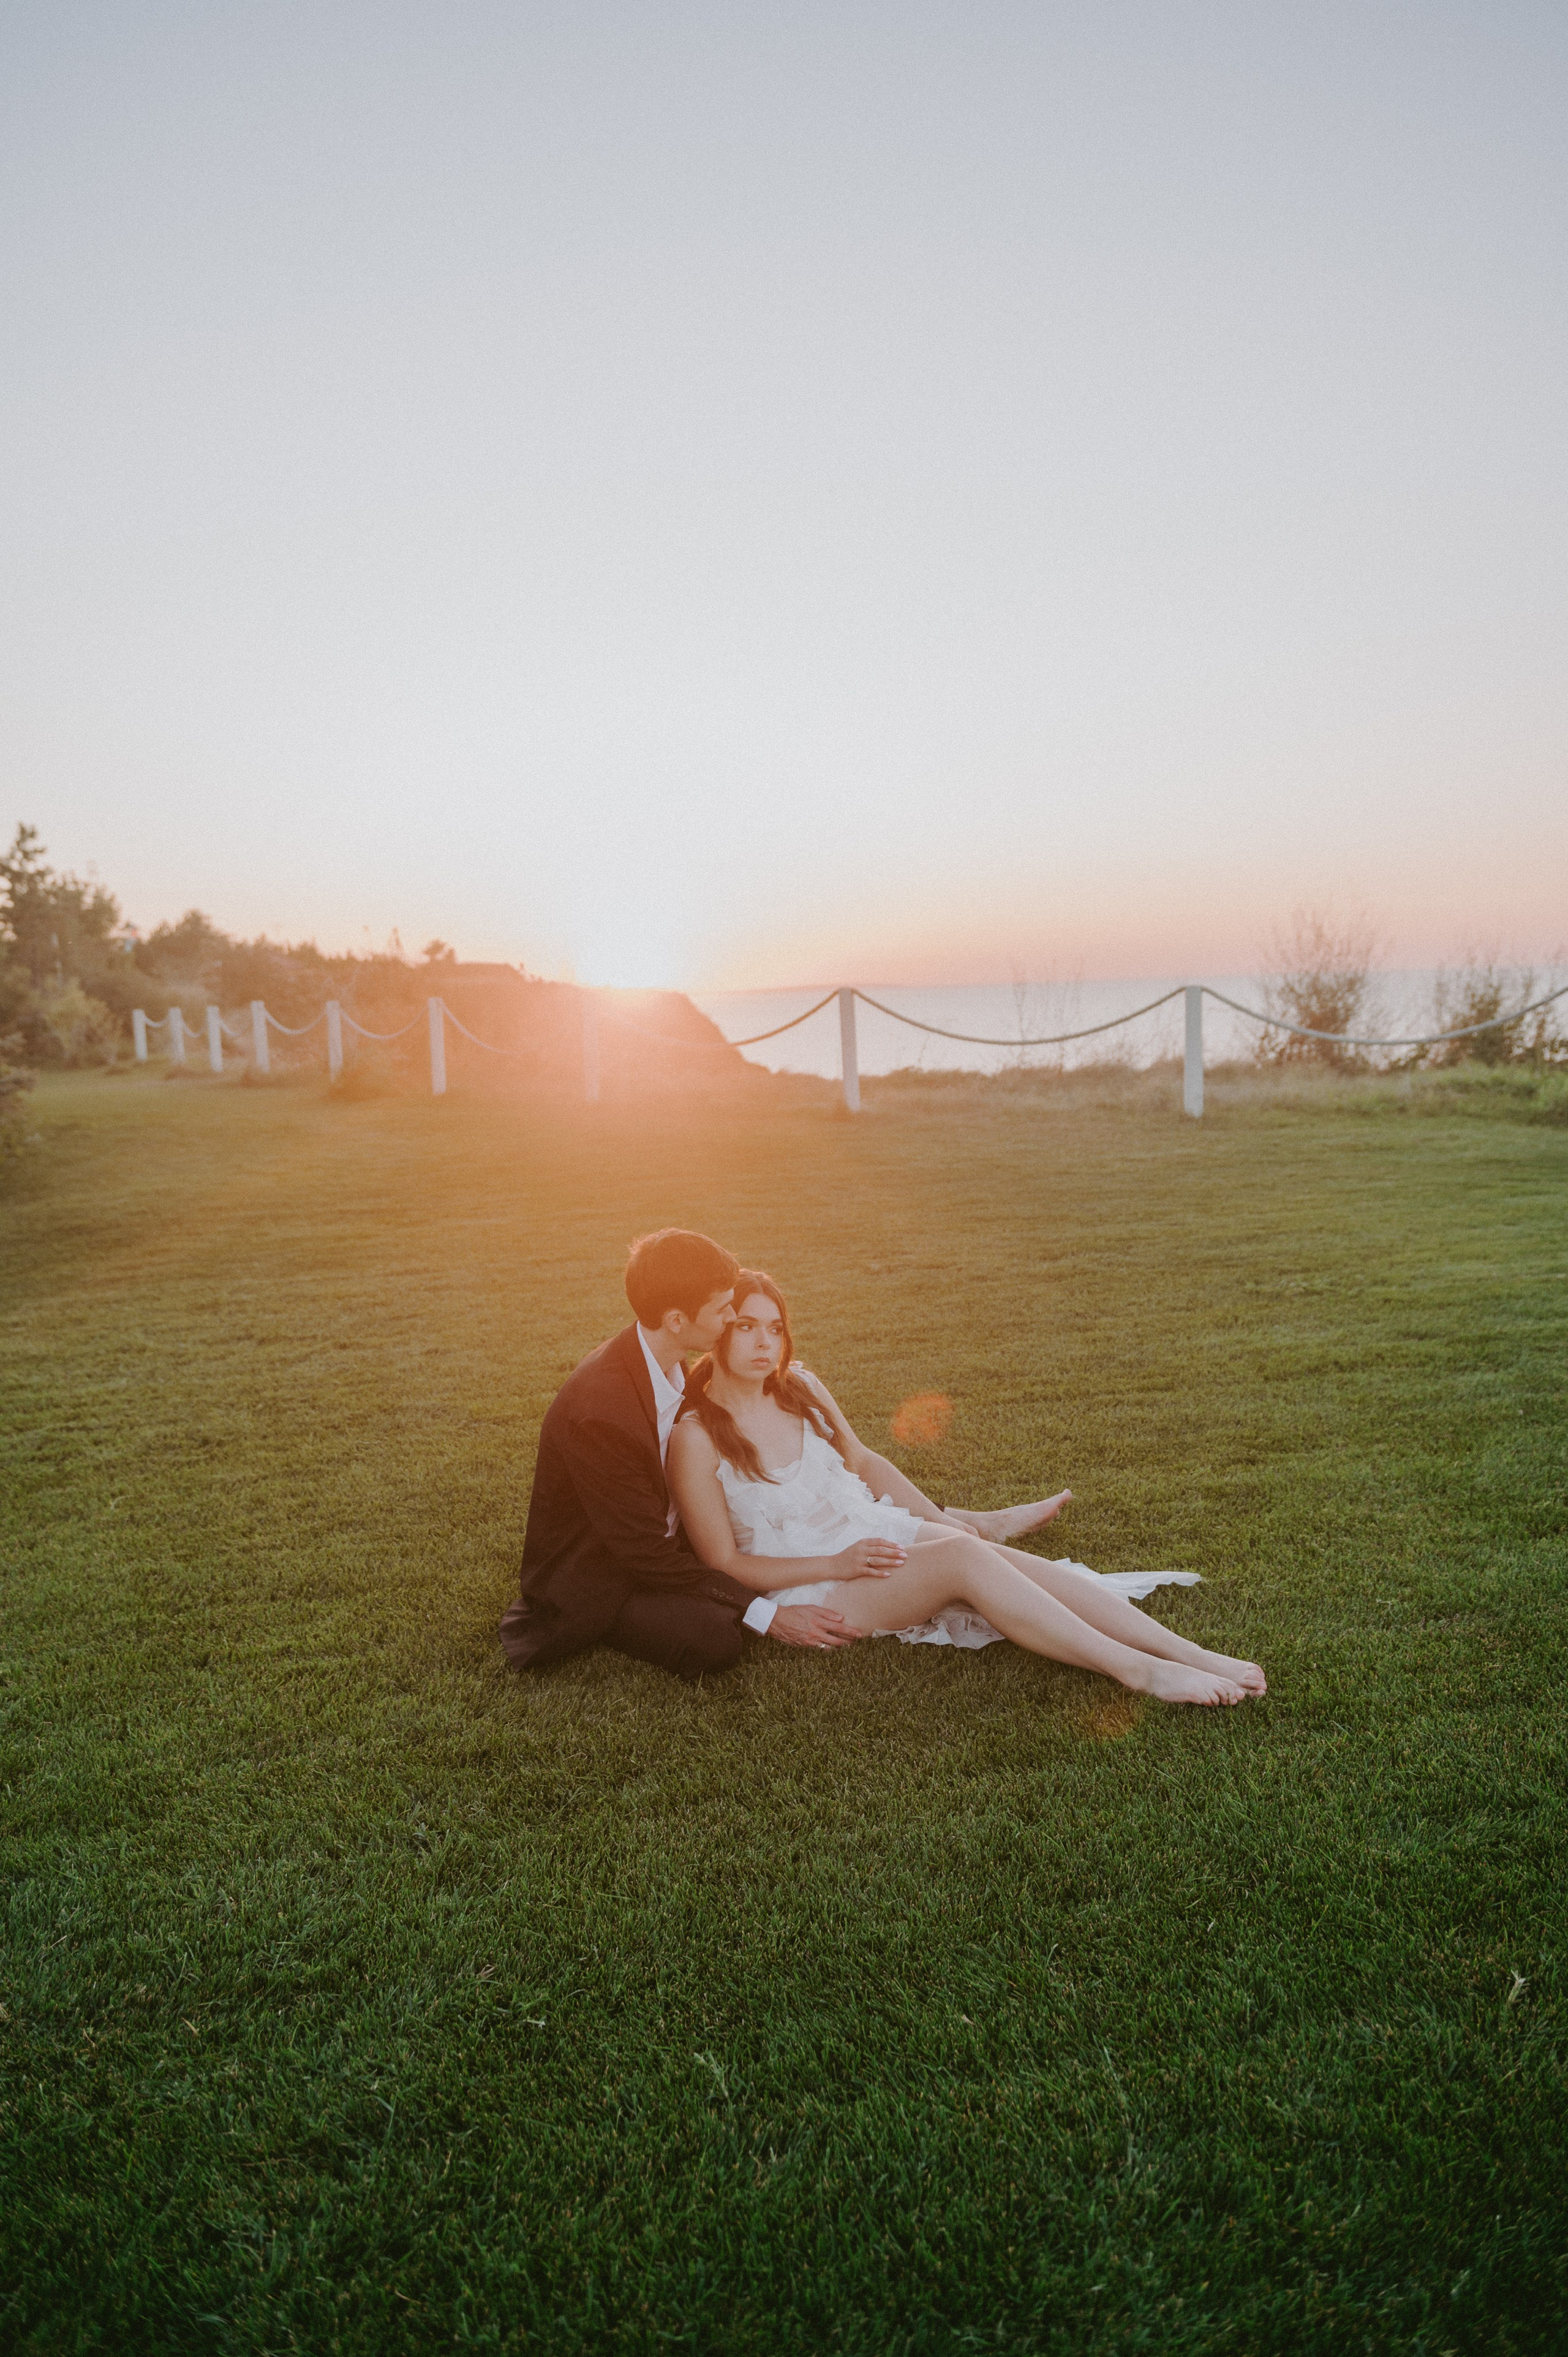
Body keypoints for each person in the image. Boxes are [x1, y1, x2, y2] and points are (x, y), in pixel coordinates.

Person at [667, 1269, 1267, 1708]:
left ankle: (1188, 1652)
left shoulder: (798, 1386)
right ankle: (1138, 1671)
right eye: (745, 1327)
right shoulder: (695, 1437)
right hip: (815, 1581)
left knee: (990, 1554)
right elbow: (723, 1563)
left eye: (775, 1328)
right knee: (963, 1556)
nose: (765, 1343)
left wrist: (943, 1520)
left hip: (871, 1533)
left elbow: (864, 1460)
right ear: (716, 1332)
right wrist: (836, 1562)